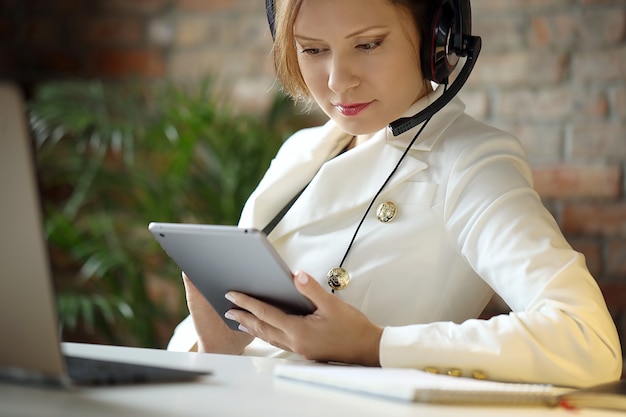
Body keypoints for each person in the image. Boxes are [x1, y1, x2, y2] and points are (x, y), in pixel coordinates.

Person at [167, 0, 622, 388]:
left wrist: (373, 344)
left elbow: (588, 338)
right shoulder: (299, 153)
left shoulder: (471, 161)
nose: (338, 81)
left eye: (368, 44)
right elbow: (207, 347)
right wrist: (216, 346)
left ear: (436, 41)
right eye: (313, 49)